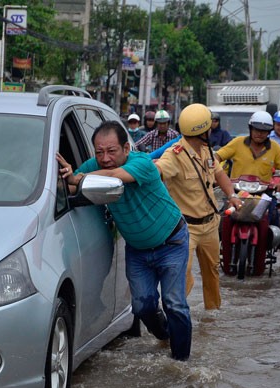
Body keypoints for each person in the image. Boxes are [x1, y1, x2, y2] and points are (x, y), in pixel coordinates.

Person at [57, 121, 192, 361]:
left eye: (111, 151)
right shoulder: (93, 167)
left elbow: (113, 177)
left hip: (171, 242)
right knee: (142, 307)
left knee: (175, 304)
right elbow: (67, 185)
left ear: (126, 149)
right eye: (99, 152)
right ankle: (166, 335)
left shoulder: (141, 163)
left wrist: (77, 177)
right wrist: (67, 175)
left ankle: (181, 364)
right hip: (138, 251)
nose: (105, 158)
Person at [155, 104, 242, 311]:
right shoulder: (174, 155)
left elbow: (219, 174)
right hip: (185, 228)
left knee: (212, 272)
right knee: (182, 275)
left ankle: (212, 316)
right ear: (203, 130)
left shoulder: (207, 151)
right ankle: (175, 315)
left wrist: (232, 196)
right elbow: (155, 173)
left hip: (211, 224)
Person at [216, 111, 280, 270]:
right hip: (236, 195)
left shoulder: (275, 147)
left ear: (269, 132)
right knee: (216, 226)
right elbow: (218, 157)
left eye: (264, 130)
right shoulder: (237, 143)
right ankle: (213, 260)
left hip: (264, 196)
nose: (259, 133)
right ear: (250, 128)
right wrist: (216, 172)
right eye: (256, 129)